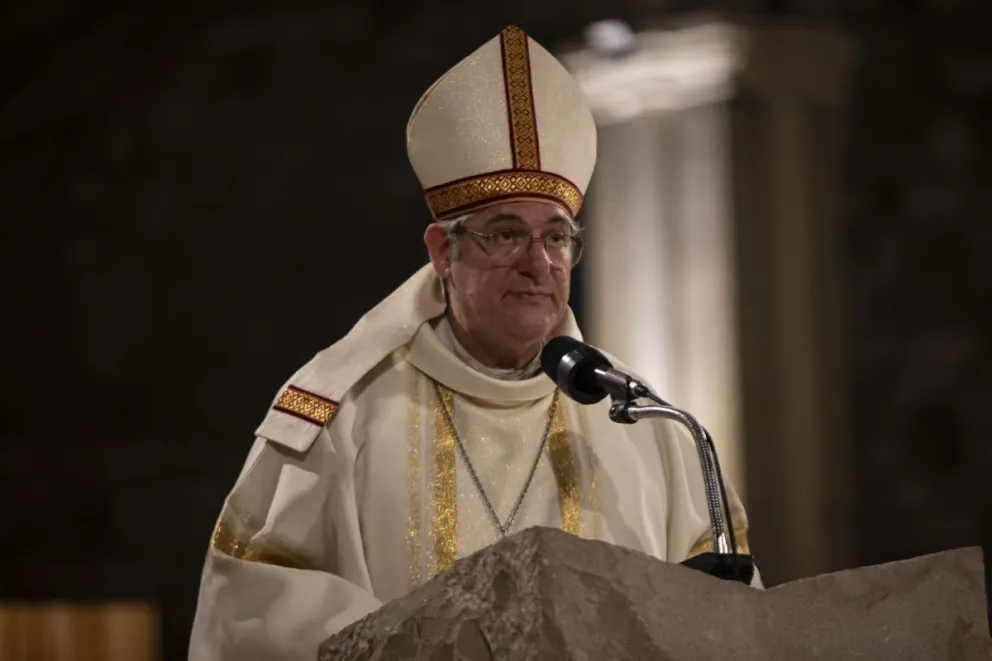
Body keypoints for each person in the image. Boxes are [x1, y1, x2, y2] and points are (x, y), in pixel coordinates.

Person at [188, 24, 757, 661]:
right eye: (506, 234)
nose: (538, 263)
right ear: (442, 252)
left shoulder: (646, 425)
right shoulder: (341, 415)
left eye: (556, 237)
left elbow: (733, 622)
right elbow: (253, 612)